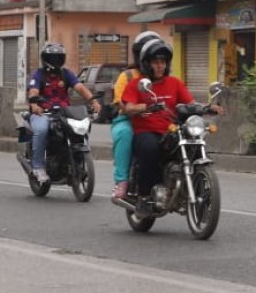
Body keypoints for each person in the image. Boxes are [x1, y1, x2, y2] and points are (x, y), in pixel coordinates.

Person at [121, 38, 220, 215]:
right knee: (150, 149)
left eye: (163, 62)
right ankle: (143, 196)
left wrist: (207, 107)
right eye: (155, 62)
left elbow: (189, 102)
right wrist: (146, 106)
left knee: (195, 147)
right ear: (146, 64)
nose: (160, 66)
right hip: (147, 131)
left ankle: (197, 192)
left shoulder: (175, 83)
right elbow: (127, 107)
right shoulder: (138, 84)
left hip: (172, 130)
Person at [26, 43, 100, 182]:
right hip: (43, 113)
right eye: (52, 58)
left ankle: (72, 161)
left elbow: (80, 87)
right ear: (45, 58)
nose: (55, 61)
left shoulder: (66, 74)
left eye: (58, 57)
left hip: (64, 112)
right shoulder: (39, 74)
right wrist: (34, 105)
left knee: (78, 129)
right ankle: (38, 167)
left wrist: (93, 101)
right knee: (41, 130)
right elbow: (33, 91)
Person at [108, 30, 160, 201]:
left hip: (157, 120)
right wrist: (138, 108)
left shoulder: (163, 75)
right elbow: (120, 104)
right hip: (128, 120)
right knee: (125, 134)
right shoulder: (128, 76)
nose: (157, 62)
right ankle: (122, 181)